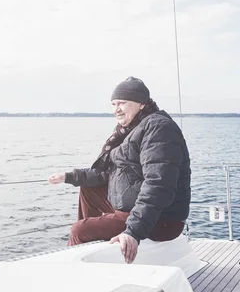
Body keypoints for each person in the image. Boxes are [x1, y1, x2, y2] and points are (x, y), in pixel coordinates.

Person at [48, 76, 191, 264]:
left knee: (79, 230)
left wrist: (132, 231)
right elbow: (107, 172)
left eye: (122, 103)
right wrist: (69, 177)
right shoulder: (130, 129)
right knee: (88, 189)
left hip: (162, 219)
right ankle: (96, 248)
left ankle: (79, 271)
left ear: (141, 104)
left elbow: (158, 185)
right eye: (114, 104)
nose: (116, 109)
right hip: (131, 205)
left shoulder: (159, 129)